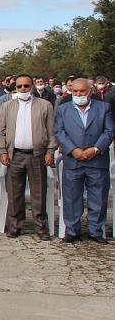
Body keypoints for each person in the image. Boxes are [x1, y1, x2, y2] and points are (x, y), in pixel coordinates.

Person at [0, 74, 57, 240]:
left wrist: (50, 151)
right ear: (15, 88)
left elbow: (52, 131)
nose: (23, 88)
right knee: (14, 193)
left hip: (37, 155)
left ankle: (41, 228)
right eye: (20, 86)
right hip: (15, 155)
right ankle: (15, 226)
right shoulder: (7, 106)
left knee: (39, 194)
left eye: (26, 86)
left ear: (32, 87)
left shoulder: (45, 105)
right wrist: (2, 151)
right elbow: (1, 131)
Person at [54, 78, 115, 244]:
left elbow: (109, 131)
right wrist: (73, 149)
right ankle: (72, 231)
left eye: (82, 91)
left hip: (97, 160)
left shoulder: (104, 108)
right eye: (75, 91)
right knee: (71, 197)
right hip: (73, 160)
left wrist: (95, 149)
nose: (78, 94)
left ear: (90, 91)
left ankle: (96, 231)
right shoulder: (63, 109)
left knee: (98, 197)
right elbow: (59, 131)